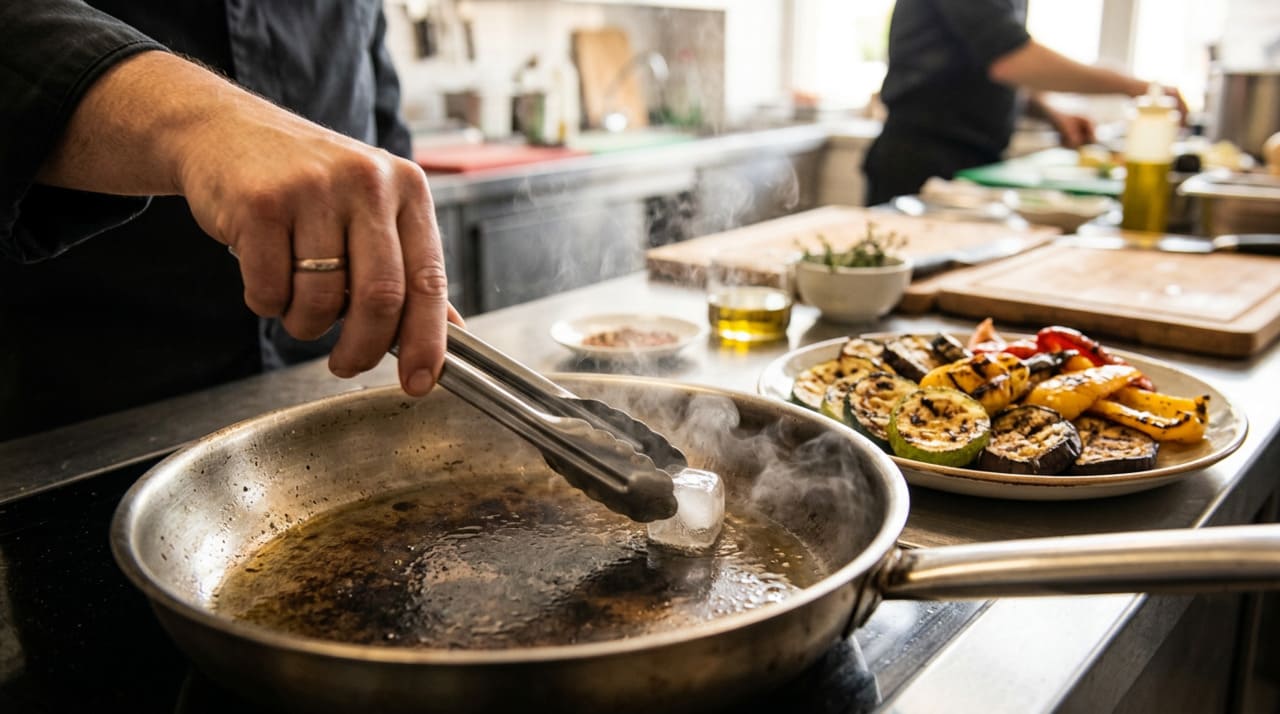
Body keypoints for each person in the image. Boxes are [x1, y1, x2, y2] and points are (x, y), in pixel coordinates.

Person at [0, 1, 455, 440]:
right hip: (82, 406)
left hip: (328, 382)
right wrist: (199, 121)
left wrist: (400, 253)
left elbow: (377, 102)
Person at [863, 0, 1187, 206]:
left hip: (972, 162)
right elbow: (1009, 59)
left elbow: (985, 66)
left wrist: (1051, 113)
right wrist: (1138, 87)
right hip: (921, 160)